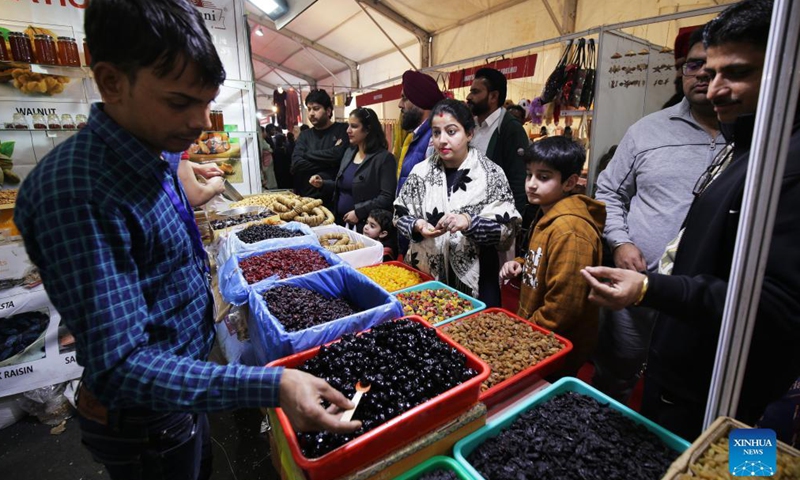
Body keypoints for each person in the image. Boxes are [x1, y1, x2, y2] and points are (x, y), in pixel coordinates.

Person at [13, 2, 360, 478]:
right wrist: (269, 385)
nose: (200, 122)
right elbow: (123, 368)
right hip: (145, 423)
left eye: (206, 102)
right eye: (180, 102)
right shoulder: (77, 194)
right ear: (111, 81)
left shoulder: (150, 155)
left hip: (183, 394)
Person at [582, 0, 800, 441]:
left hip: (736, 377)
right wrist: (625, 247)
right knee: (637, 408)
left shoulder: (783, 159)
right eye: (701, 68)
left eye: (735, 72)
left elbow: (776, 303)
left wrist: (652, 289)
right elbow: (609, 191)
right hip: (674, 332)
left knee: (738, 457)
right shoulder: (735, 141)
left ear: (787, 68)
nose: (714, 86)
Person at [591, 27, 726, 404]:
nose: (703, 74)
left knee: (691, 389)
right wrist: (620, 242)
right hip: (638, 283)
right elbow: (609, 191)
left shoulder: (757, 141)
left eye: (714, 66)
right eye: (693, 65)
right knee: (616, 373)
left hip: (707, 297)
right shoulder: (646, 131)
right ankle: (600, 442)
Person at [394, 99, 520, 307]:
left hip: (478, 277)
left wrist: (469, 222)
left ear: (470, 133)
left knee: (472, 335)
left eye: (451, 132)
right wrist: (417, 225)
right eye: (436, 133)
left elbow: (507, 230)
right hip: (425, 276)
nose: (442, 140)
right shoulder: (420, 173)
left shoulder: (491, 174)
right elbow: (399, 215)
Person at [500, 137, 605, 375]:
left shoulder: (571, 231)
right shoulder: (548, 214)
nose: (532, 184)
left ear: (570, 182)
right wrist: (521, 264)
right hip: (539, 336)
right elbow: (546, 261)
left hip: (554, 346)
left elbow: (563, 306)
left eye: (544, 177)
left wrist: (524, 332)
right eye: (529, 175)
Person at [309, 107, 396, 232]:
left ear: (368, 129)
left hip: (366, 227)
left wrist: (359, 212)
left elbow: (386, 197)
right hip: (340, 222)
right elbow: (345, 185)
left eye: (354, 126)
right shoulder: (349, 153)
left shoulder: (384, 159)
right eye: (349, 125)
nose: (348, 130)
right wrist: (323, 183)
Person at [467, 67, 529, 215]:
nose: (469, 96)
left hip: (492, 218)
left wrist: (513, 222)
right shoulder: (469, 125)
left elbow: (518, 180)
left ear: (493, 96)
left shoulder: (510, 129)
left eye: (475, 92)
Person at [291, 89, 348, 204]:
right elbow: (296, 165)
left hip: (334, 198)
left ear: (328, 111)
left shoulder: (342, 129)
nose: (311, 113)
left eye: (316, 109)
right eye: (309, 109)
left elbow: (339, 156)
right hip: (308, 199)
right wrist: (330, 162)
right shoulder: (305, 135)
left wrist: (306, 155)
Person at [396, 70, 446, 193]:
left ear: (420, 101)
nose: (400, 105)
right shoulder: (417, 137)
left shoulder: (434, 140)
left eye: (405, 98)